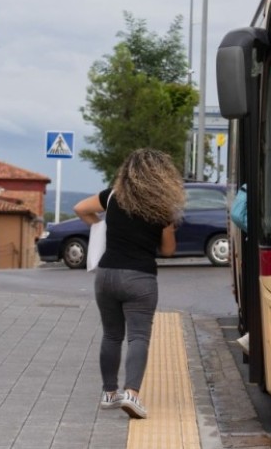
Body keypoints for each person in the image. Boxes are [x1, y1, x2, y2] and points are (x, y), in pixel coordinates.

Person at [73, 148, 185, 419]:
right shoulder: (162, 207)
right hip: (140, 278)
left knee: (111, 335)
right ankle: (131, 394)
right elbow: (168, 250)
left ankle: (109, 393)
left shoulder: (112, 196)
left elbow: (80, 209)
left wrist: (99, 225)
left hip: (107, 274)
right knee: (138, 337)